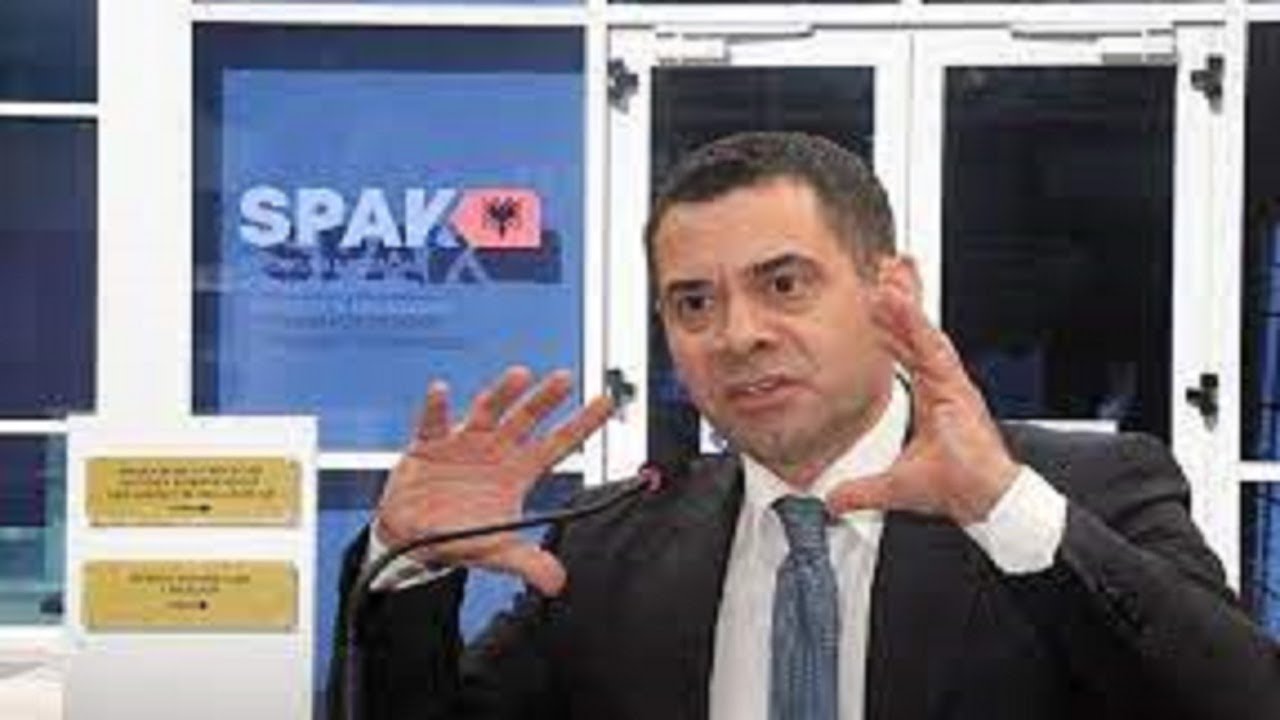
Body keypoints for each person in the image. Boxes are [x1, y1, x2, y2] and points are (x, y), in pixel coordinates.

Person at [330, 132, 1280, 720]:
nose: (738, 334)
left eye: (784, 283)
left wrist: (1004, 511)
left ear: (890, 289)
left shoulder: (1088, 490)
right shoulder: (612, 544)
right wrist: (413, 565)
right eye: (693, 302)